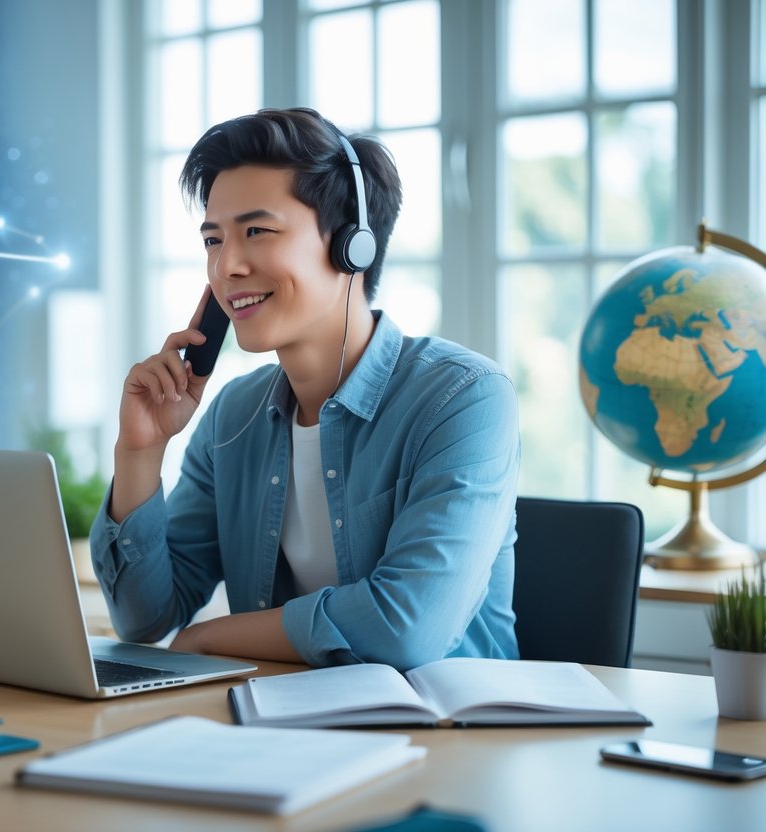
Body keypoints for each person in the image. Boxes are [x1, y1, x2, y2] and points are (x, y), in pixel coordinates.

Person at [90, 107, 519, 670]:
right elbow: (145, 618)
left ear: (351, 246)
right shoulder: (233, 417)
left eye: (257, 232)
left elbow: (406, 628)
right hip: (287, 727)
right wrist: (140, 451)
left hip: (450, 733)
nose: (226, 268)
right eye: (214, 240)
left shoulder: (464, 398)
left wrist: (211, 637)